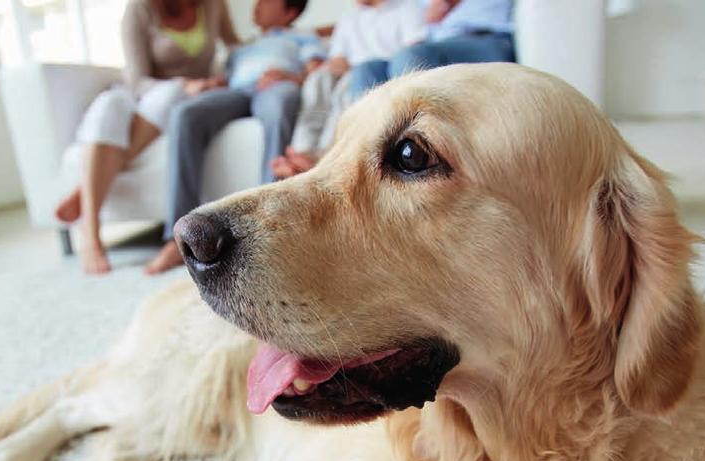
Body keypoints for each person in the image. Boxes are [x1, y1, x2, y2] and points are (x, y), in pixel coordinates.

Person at [54, 0, 239, 274]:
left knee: (175, 96)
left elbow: (234, 45)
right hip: (147, 94)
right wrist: (187, 84)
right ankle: (91, 236)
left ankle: (85, 191)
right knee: (108, 105)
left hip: (188, 99)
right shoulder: (140, 8)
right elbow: (137, 79)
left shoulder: (213, 4)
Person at [144, 0, 322, 274]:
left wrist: (291, 77)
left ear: (289, 11)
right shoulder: (243, 48)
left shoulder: (303, 37)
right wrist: (214, 84)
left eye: (266, 1)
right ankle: (175, 238)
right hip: (236, 91)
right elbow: (225, 76)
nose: (257, 5)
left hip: (275, 87)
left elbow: (317, 69)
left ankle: (268, 227)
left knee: (282, 103)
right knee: (185, 114)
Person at [271, 0, 425, 179]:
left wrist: (354, 68)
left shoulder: (407, 7)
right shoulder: (350, 18)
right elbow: (338, 57)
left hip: (378, 75)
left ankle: (325, 155)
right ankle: (301, 151)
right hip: (350, 70)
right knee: (318, 79)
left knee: (347, 84)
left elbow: (411, 55)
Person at [349, 0, 515, 98]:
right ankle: (368, 144)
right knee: (367, 69)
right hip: (436, 47)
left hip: (486, 38)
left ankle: (422, 142)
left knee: (409, 57)